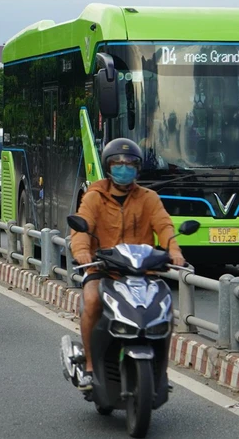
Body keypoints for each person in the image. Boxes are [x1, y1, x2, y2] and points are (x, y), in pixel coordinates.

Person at [69, 138, 185, 391]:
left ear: (138, 168)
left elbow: (164, 225)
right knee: (91, 300)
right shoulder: (94, 197)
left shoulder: (149, 198)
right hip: (103, 269)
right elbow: (82, 225)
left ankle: (160, 371)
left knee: (164, 308)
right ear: (108, 167)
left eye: (130, 163)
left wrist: (173, 251)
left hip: (142, 272)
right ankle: (90, 367)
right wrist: (81, 252)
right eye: (118, 163)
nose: (124, 167)